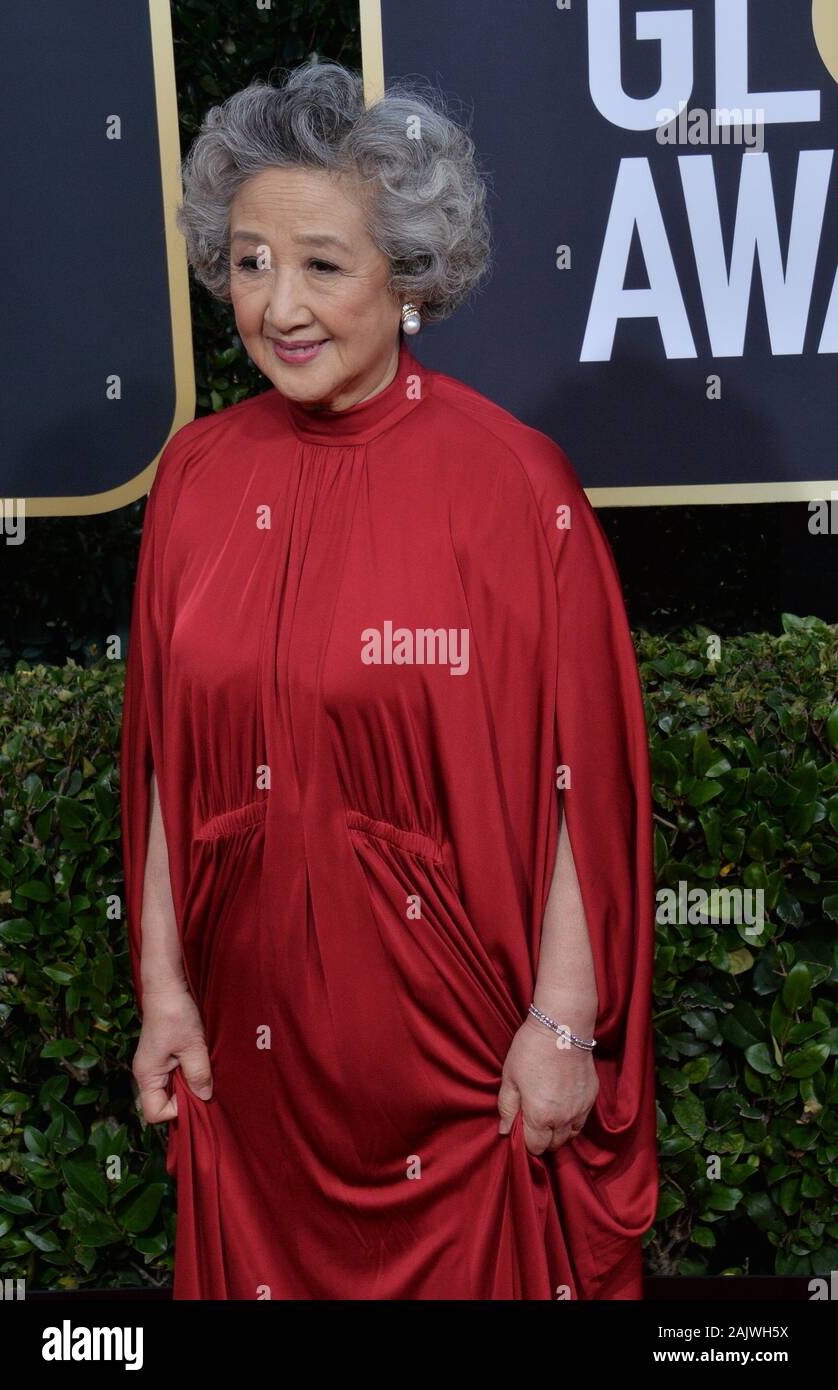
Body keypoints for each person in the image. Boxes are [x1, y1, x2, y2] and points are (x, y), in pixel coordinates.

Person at [120, 59, 658, 1300]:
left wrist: (564, 1027)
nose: (279, 305)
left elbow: (582, 787)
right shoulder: (195, 480)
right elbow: (161, 769)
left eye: (322, 262)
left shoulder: (513, 484)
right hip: (252, 1088)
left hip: (466, 1081)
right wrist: (166, 998)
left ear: (408, 277)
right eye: (250, 261)